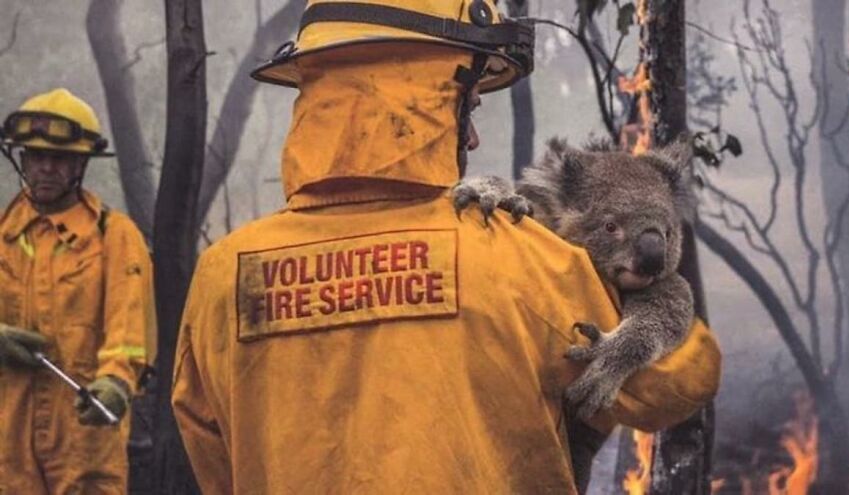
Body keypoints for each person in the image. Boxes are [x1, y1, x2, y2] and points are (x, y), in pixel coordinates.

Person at [172, 0, 720, 492]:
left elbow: (215, 458)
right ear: (427, 95)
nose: (475, 137)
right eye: (471, 105)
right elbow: (676, 384)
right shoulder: (516, 256)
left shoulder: (223, 275)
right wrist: (665, 303)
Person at [0, 88, 156, 494]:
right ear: (23, 160)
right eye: (36, 157)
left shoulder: (112, 236)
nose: (46, 168)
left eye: (60, 158)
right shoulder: (3, 237)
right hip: (8, 447)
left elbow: (129, 327)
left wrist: (116, 383)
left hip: (85, 443)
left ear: (80, 164)